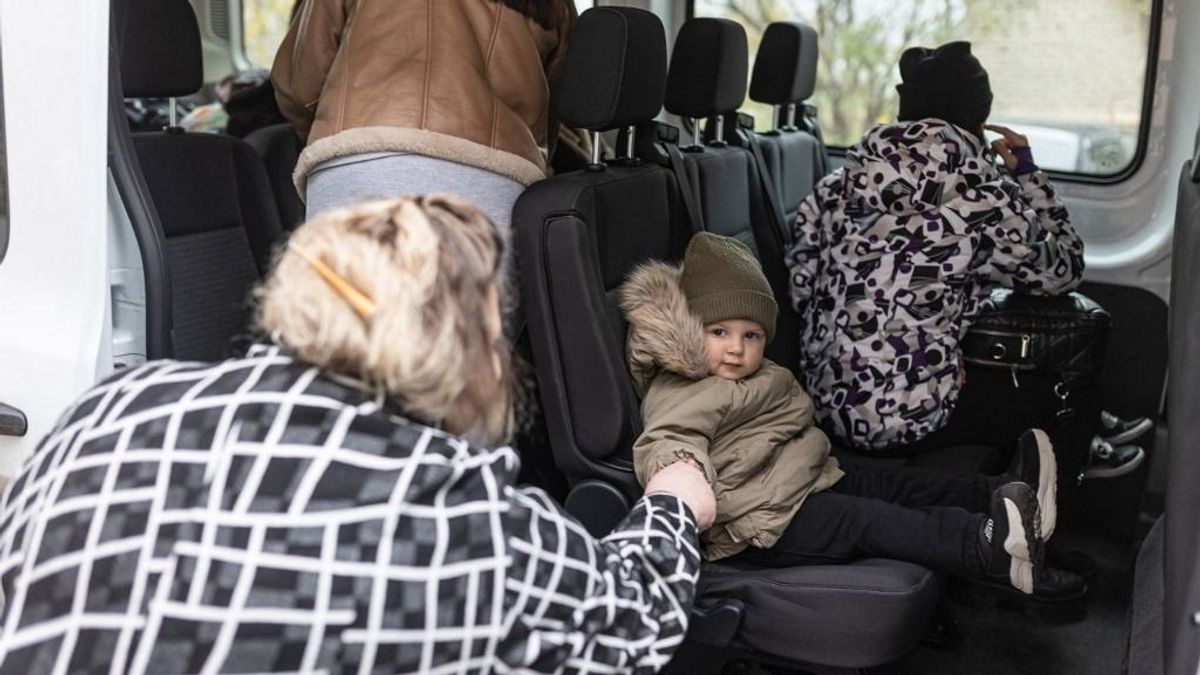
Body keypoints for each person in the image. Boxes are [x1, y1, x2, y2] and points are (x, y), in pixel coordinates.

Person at [0, 196, 715, 674]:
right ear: (471, 346)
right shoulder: (458, 515)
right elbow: (632, 620)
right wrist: (674, 504)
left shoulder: (113, 406)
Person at [622, 232, 1083, 598]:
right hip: (760, 525)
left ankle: (1002, 495)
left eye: (752, 335)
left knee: (887, 483)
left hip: (800, 479)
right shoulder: (682, 385)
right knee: (869, 520)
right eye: (719, 332)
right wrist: (679, 483)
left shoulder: (753, 373)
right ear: (691, 330)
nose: (737, 348)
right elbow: (669, 440)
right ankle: (986, 544)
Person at [785, 41, 1086, 455]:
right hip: (913, 419)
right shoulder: (989, 202)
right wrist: (1028, 175)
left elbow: (801, 287)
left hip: (823, 404)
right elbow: (1064, 271)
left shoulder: (836, 185)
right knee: (1064, 396)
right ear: (978, 118)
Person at [272, 0, 575, 237]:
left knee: (346, 313)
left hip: (358, 159)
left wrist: (328, 126)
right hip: (491, 172)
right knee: (468, 313)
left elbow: (298, 86)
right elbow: (560, 99)